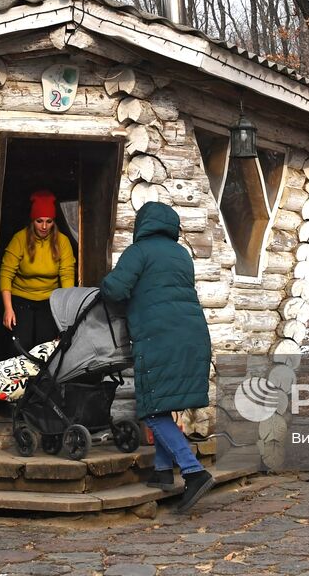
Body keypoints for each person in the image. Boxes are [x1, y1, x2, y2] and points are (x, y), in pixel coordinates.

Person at [100, 201, 214, 514]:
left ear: (143, 225)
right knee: (163, 402)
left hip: (159, 337)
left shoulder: (139, 252)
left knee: (151, 408)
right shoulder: (180, 254)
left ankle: (193, 471)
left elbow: (115, 289)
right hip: (191, 334)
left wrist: (103, 286)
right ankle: (163, 471)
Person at [0, 190, 76, 353]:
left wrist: (65, 312)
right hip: (21, 299)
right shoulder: (20, 239)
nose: (44, 226)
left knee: (45, 345)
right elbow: (6, 274)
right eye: (39, 221)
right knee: (20, 344)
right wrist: (8, 308)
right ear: (32, 220)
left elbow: (67, 276)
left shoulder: (62, 242)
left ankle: (42, 379)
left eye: (48, 221)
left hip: (49, 300)